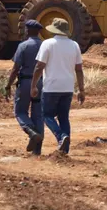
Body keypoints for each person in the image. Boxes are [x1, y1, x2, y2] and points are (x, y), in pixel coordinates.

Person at [30, 18, 85, 155]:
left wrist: (33, 85)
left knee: (47, 115)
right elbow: (79, 69)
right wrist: (81, 89)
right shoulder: (74, 45)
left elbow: (39, 66)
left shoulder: (47, 44)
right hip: (67, 87)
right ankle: (64, 150)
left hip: (51, 87)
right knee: (64, 117)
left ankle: (61, 137)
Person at [5, 19, 45, 155]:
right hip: (41, 83)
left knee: (20, 111)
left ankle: (31, 131)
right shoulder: (45, 46)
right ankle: (37, 150)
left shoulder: (23, 46)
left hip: (26, 82)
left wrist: (8, 85)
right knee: (38, 115)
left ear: (28, 31)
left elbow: (15, 68)